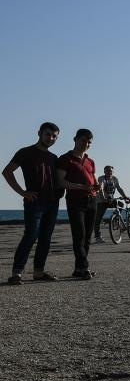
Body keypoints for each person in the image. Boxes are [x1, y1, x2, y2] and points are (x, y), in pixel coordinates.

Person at [2, 122, 64, 285]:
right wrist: (23, 192)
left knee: (45, 238)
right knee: (30, 235)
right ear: (39, 133)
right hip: (34, 202)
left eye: (54, 136)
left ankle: (39, 272)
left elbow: (58, 179)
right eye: (48, 134)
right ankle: (17, 273)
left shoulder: (53, 157)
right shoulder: (25, 152)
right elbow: (7, 172)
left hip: (52, 203)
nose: (51, 138)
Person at [57, 128, 101, 280]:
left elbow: (93, 178)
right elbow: (60, 181)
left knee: (87, 237)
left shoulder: (90, 161)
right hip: (75, 200)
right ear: (75, 139)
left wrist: (97, 186)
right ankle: (84, 267)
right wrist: (81, 187)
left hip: (92, 200)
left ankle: (79, 269)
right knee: (79, 235)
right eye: (83, 140)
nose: (86, 144)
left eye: (89, 142)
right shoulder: (65, 158)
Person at [93, 165, 130, 242]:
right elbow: (101, 188)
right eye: (107, 171)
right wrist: (104, 198)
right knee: (98, 218)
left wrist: (125, 196)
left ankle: (116, 220)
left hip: (111, 199)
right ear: (104, 172)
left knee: (121, 204)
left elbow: (119, 188)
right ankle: (97, 237)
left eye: (110, 171)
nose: (109, 172)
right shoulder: (102, 178)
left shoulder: (115, 179)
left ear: (113, 171)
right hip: (101, 201)